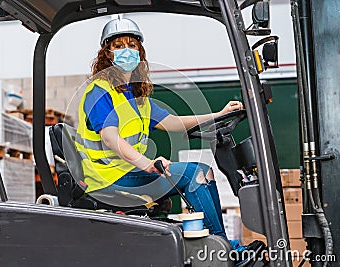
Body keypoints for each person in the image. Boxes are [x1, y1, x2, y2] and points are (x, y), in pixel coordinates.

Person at [75, 17, 264, 265]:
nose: (126, 51)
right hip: (107, 177)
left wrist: (219, 114)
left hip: (126, 170)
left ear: (140, 53)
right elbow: (110, 138)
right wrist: (147, 164)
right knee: (195, 173)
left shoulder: (133, 93)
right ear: (107, 53)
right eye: (119, 46)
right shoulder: (99, 91)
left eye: (132, 46)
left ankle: (221, 247)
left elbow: (173, 122)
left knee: (200, 172)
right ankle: (223, 252)